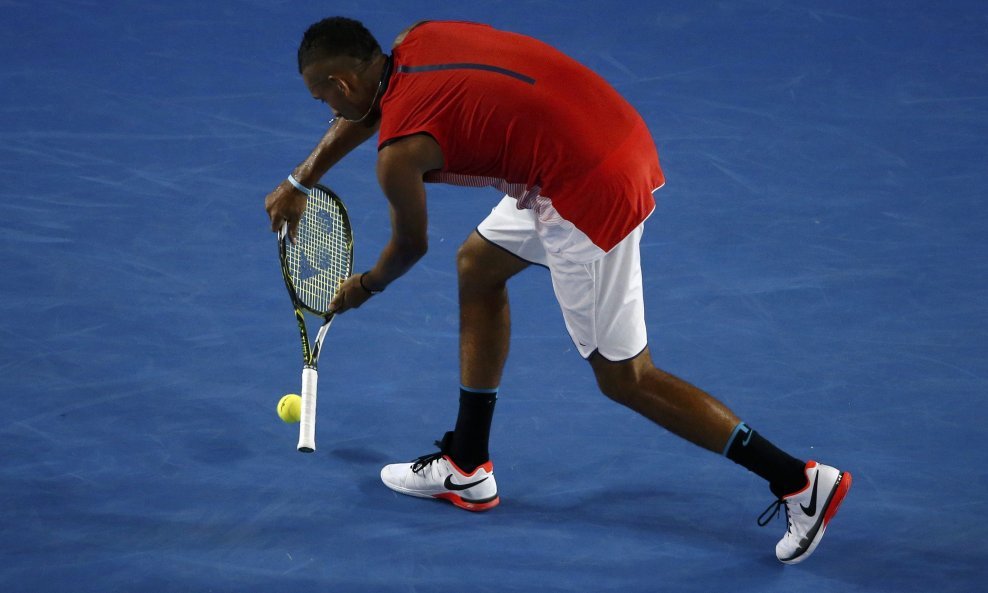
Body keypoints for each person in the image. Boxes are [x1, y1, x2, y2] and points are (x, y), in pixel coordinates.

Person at [264, 17, 851, 564]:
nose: (327, 108)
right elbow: (369, 115)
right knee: (478, 265)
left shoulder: (398, 159)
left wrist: (364, 286)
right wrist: (300, 180)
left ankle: (798, 480)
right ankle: (467, 464)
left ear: (342, 82)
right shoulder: (416, 40)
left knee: (626, 378)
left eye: (323, 99)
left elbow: (408, 247)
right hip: (606, 136)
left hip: (588, 187)